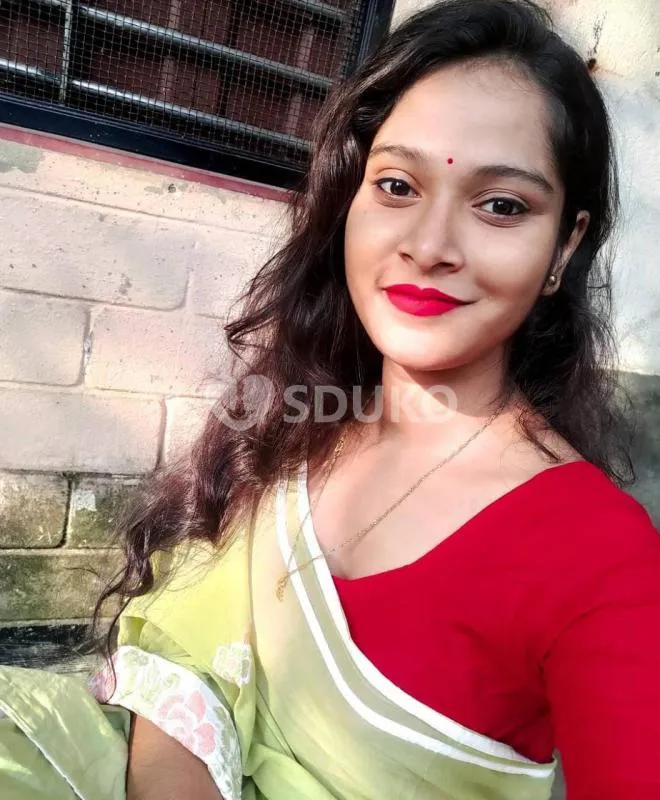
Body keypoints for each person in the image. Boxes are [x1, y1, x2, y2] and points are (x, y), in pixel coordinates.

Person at [1, 1, 658, 798]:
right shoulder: (297, 420)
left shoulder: (599, 557)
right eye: (397, 185)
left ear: (565, 245)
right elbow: (184, 653)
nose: (429, 245)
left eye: (501, 205)